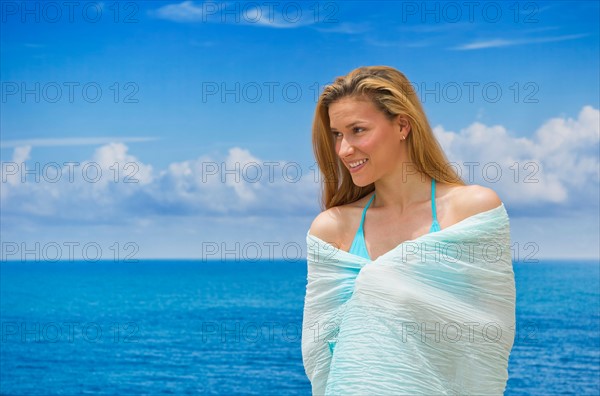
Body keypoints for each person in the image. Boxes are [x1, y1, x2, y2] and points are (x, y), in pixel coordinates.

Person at [301, 66, 516, 395]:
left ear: (402, 125)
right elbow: (320, 354)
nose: (344, 150)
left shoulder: (471, 211)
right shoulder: (333, 228)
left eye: (358, 130)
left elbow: (487, 340)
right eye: (337, 135)